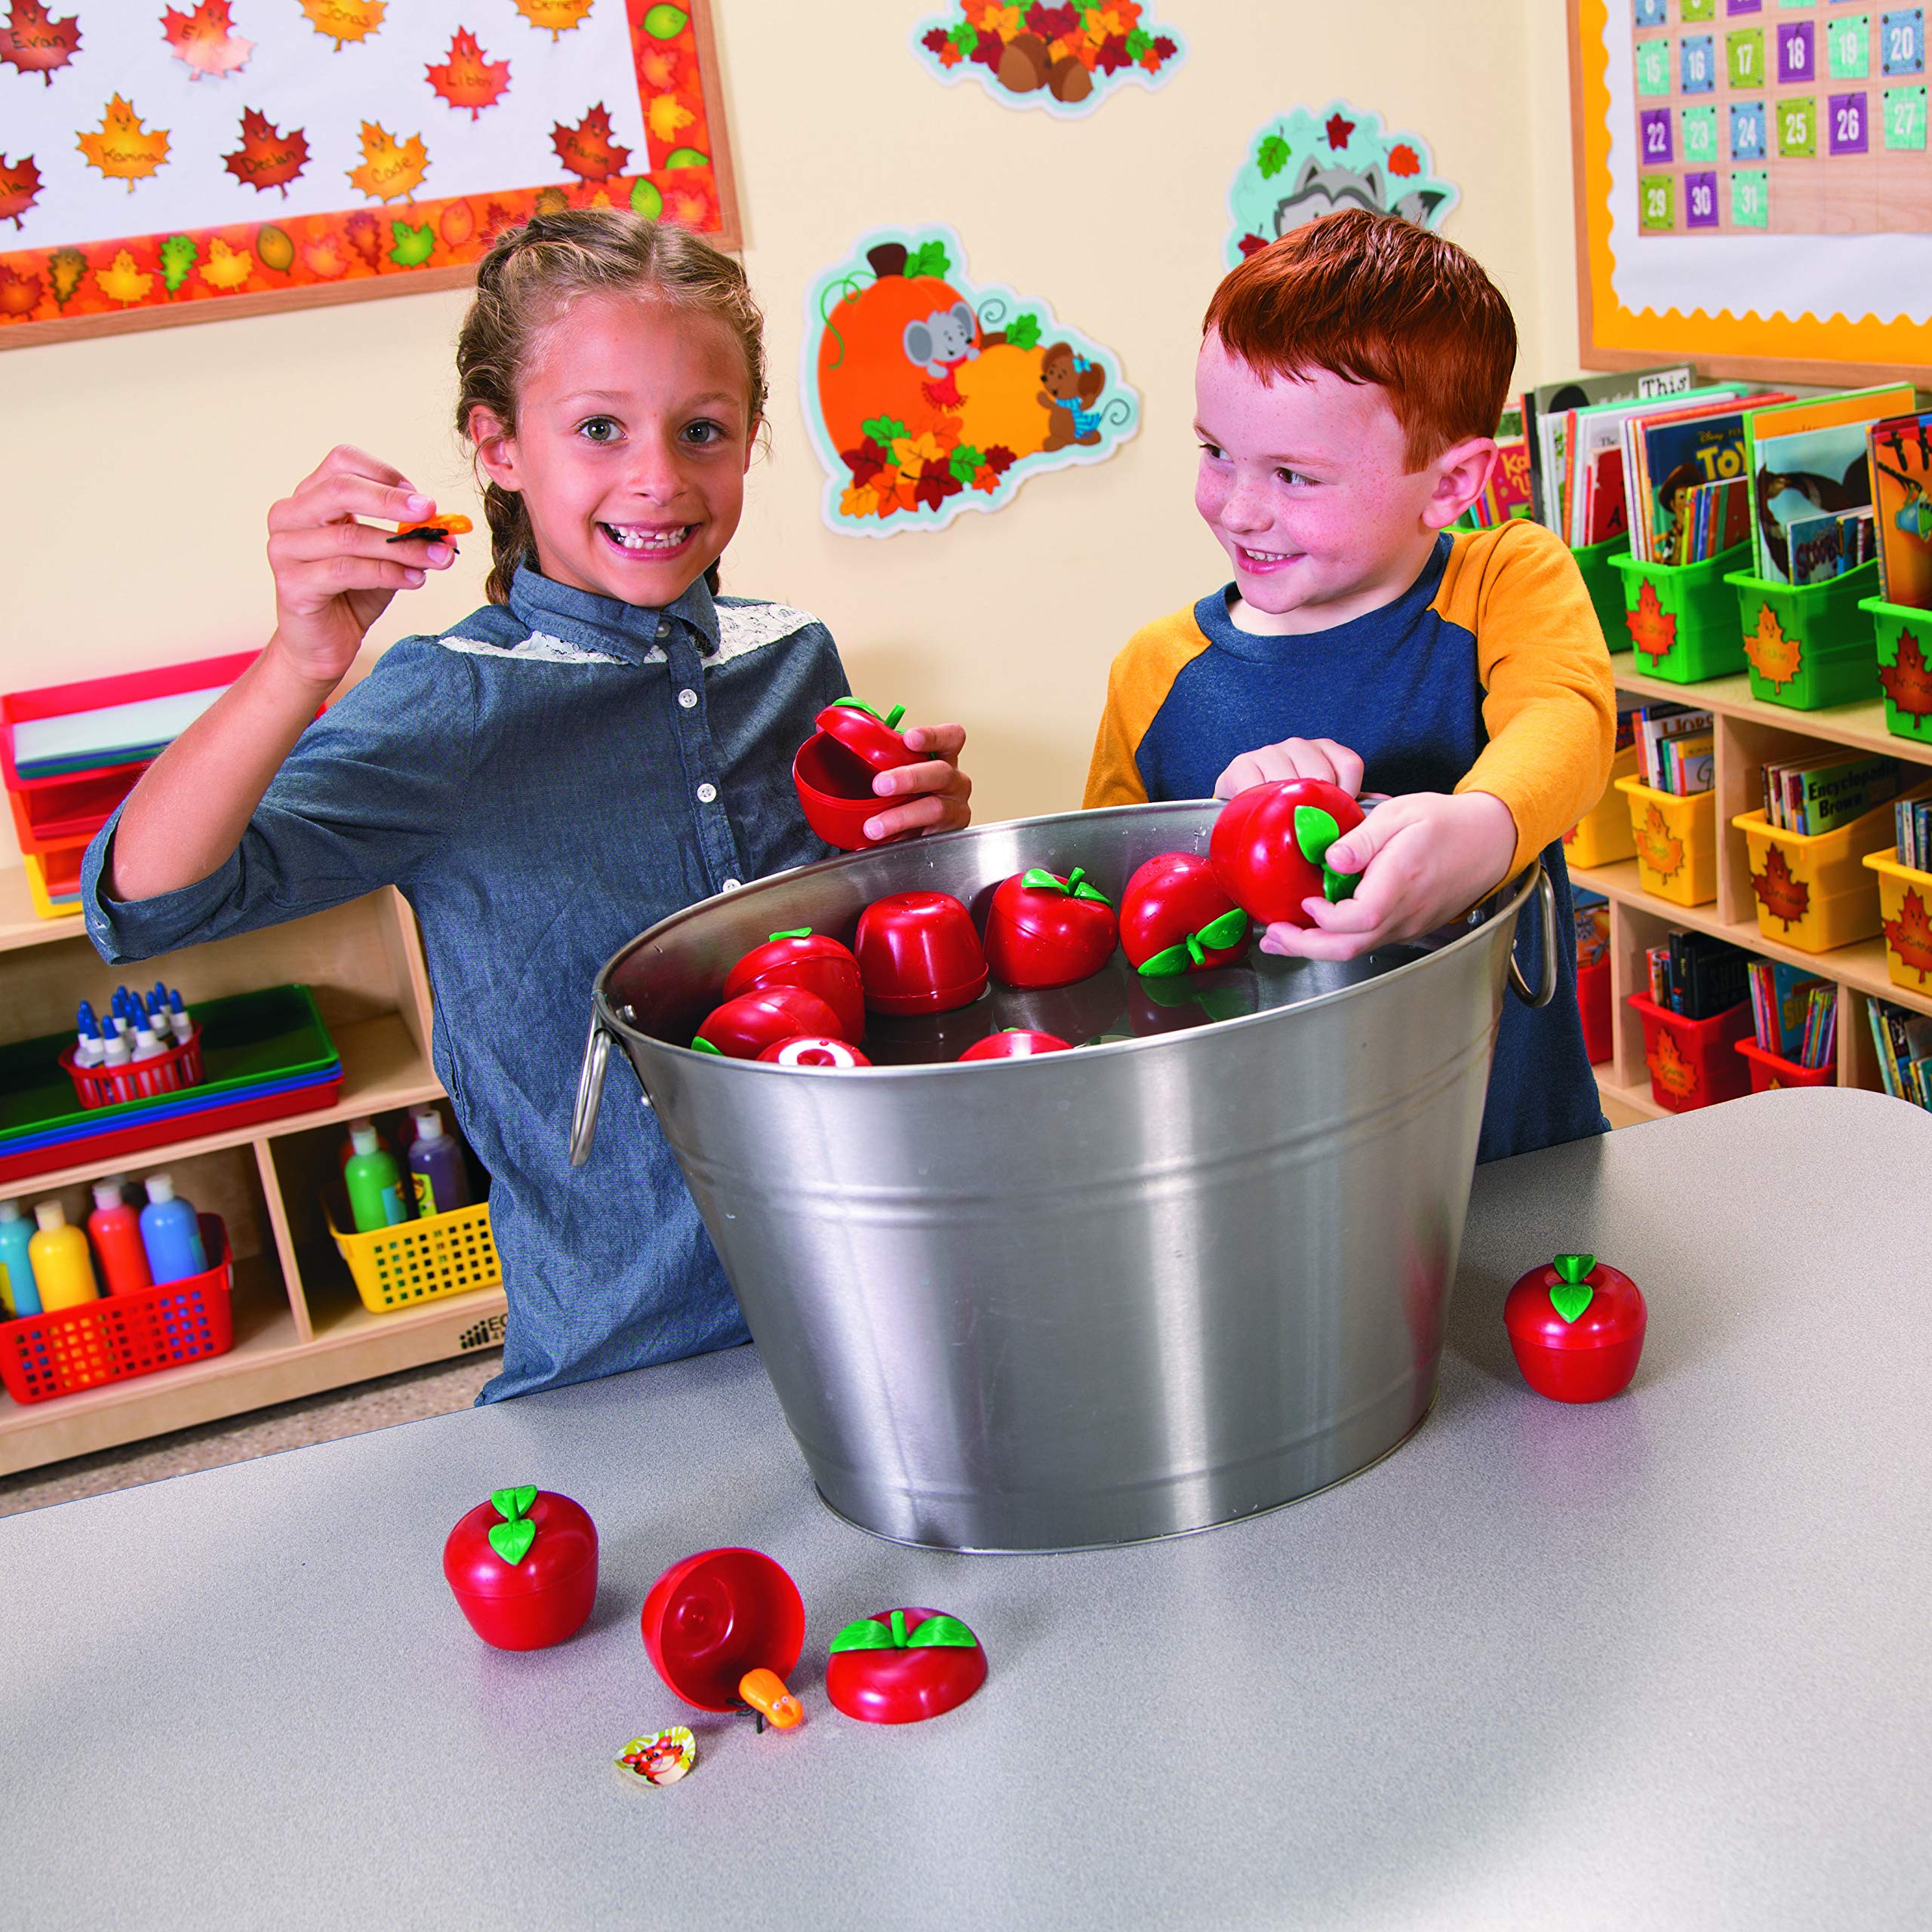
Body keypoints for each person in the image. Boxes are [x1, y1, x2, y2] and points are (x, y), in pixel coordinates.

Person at [80, 210, 973, 1398]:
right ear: (498, 446)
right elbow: (146, 905)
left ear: (752, 436)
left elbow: (847, 955)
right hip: (623, 1337)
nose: (657, 477)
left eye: (701, 430)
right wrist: (301, 661)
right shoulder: (448, 705)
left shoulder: (795, 656)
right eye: (598, 429)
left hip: (869, 1278)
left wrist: (921, 844)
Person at [1084, 209, 1614, 1162]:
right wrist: (1218, 837)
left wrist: (1484, 826)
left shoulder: (1504, 580)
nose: (1239, 508)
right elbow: (1106, 925)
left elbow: (1565, 720)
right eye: (1214, 453)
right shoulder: (1154, 670)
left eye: (1293, 474)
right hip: (1264, 1173)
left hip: (1510, 1152)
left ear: (1450, 485)